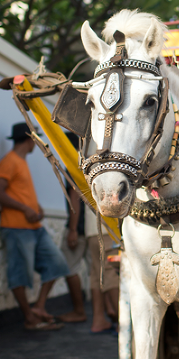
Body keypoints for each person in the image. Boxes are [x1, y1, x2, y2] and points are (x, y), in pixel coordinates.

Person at [0, 122, 84, 330]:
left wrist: (36, 207)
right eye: (35, 138)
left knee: (57, 264)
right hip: (16, 227)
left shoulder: (21, 161)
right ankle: (29, 317)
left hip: (34, 227)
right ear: (28, 139)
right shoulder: (10, 161)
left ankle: (40, 307)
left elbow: (19, 193)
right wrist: (24, 209)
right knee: (20, 274)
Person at [61, 132, 120, 334]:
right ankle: (124, 324)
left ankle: (98, 320)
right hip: (107, 227)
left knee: (97, 275)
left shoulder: (80, 163)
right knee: (111, 272)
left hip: (91, 229)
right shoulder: (104, 162)